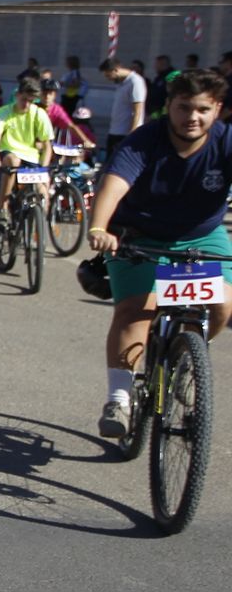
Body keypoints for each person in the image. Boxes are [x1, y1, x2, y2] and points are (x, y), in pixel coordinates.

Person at [86, 69, 232, 437]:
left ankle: (186, 360)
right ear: (169, 106)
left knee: (223, 306)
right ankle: (119, 397)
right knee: (136, 310)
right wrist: (99, 227)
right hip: (137, 235)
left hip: (200, 235)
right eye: (183, 108)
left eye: (202, 109)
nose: (192, 117)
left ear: (217, 110)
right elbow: (114, 185)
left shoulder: (227, 142)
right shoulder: (144, 140)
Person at [0, 80, 54, 223]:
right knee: (13, 161)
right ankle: (2, 208)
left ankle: (38, 233)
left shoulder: (39, 113)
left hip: (31, 157)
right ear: (17, 95)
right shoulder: (4, 112)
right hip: (9, 151)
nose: (27, 104)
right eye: (24, 99)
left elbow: (47, 147)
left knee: (43, 193)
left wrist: (43, 169)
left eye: (31, 101)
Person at [100, 58, 147, 159]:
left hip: (124, 134)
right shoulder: (121, 83)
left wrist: (132, 133)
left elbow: (138, 110)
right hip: (115, 131)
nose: (109, 79)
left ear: (115, 70)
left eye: (109, 75)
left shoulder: (135, 82)